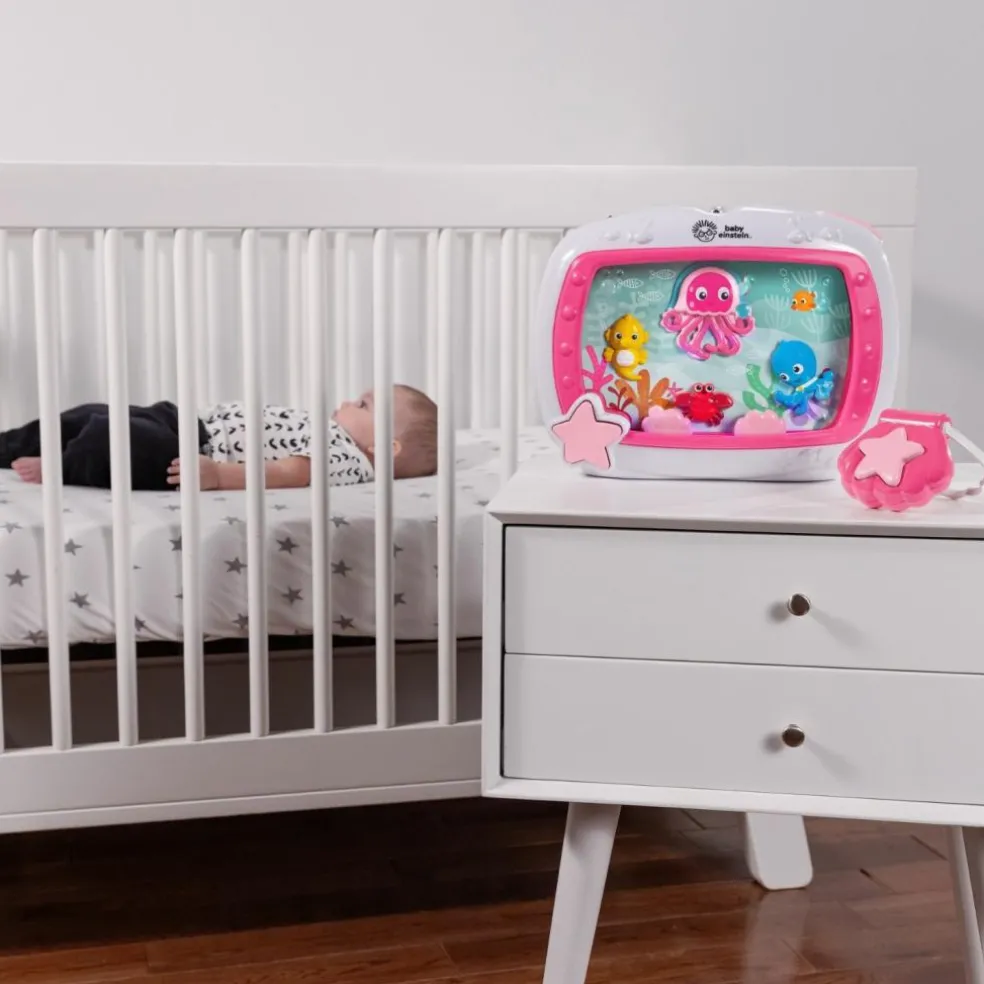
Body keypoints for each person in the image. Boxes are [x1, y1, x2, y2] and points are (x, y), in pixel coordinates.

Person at [0, 385, 438, 492]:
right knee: (90, 413)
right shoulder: (332, 433)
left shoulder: (347, 458)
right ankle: (8, 445)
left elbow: (290, 473)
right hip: (184, 421)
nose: (346, 401)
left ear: (385, 448)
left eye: (362, 405)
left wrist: (218, 476)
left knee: (113, 435)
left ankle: (66, 464)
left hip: (192, 454)